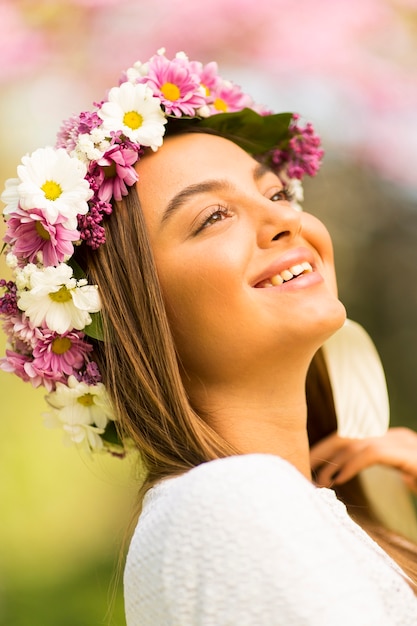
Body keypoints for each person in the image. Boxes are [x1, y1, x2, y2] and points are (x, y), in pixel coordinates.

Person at [1, 49, 417, 625]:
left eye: (274, 195)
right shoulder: (226, 504)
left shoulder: (277, 507)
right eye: (214, 217)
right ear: (135, 316)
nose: (287, 220)